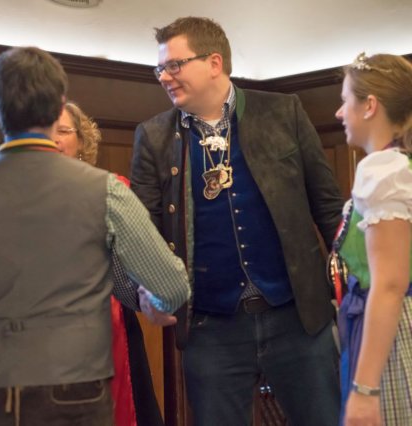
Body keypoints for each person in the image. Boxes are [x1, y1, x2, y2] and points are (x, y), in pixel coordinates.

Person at [0, 46, 190, 426]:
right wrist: (158, 304)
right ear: (59, 106)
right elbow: (172, 285)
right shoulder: (106, 190)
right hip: (78, 388)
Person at [130, 16, 344, 425]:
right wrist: (144, 291)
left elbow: (329, 207)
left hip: (298, 317)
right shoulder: (153, 136)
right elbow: (142, 233)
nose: (164, 77)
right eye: (159, 69)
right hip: (210, 326)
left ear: (214, 62)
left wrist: (354, 288)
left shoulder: (283, 112)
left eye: (174, 65)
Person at [54, 102, 165, 426]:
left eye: (64, 131)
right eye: (47, 131)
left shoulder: (112, 190)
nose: (55, 139)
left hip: (109, 323)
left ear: (82, 140)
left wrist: (152, 294)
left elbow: (138, 266)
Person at [333, 52, 412, 425]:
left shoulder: (384, 170)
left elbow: (390, 284)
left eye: (345, 100)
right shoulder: (399, 166)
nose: (339, 112)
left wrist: (365, 390)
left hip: (393, 332)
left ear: (370, 106)